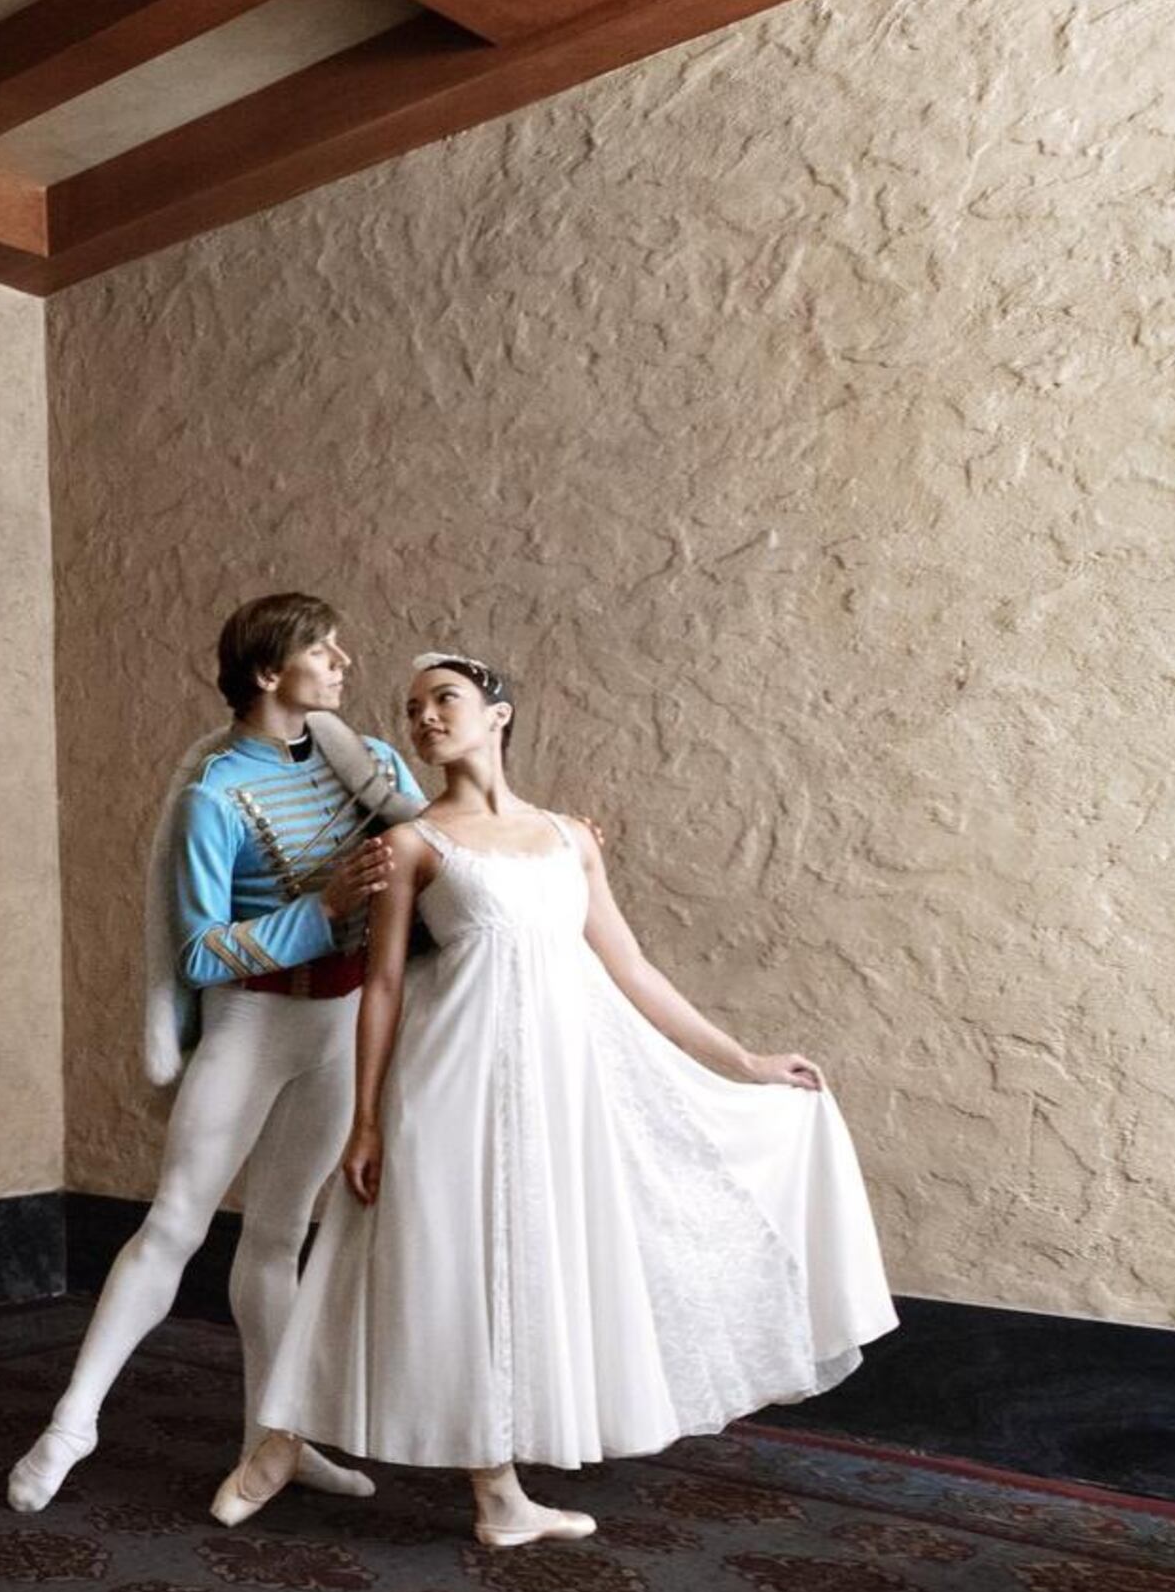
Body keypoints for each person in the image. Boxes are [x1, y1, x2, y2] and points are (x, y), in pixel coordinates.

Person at [220, 653, 894, 1546]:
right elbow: (382, 987)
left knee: (518, 1268)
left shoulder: (570, 839)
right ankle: (279, 1441)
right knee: (407, 1259)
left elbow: (631, 967)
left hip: (551, 1093)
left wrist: (743, 1059)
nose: (425, 719)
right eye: (413, 709)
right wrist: (368, 1118)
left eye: (444, 700)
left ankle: (499, 1495)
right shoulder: (412, 844)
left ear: (497, 713)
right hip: (446, 1080)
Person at [7, 593, 425, 1516]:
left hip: (341, 1027)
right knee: (175, 1225)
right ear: (270, 673)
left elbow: (445, 863)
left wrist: (553, 845)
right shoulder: (215, 794)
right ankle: (73, 1422)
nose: (343, 660)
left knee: (282, 1235)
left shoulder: (375, 767)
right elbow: (198, 951)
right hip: (253, 1024)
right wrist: (320, 910)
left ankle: (270, 1438)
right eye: (321, 648)